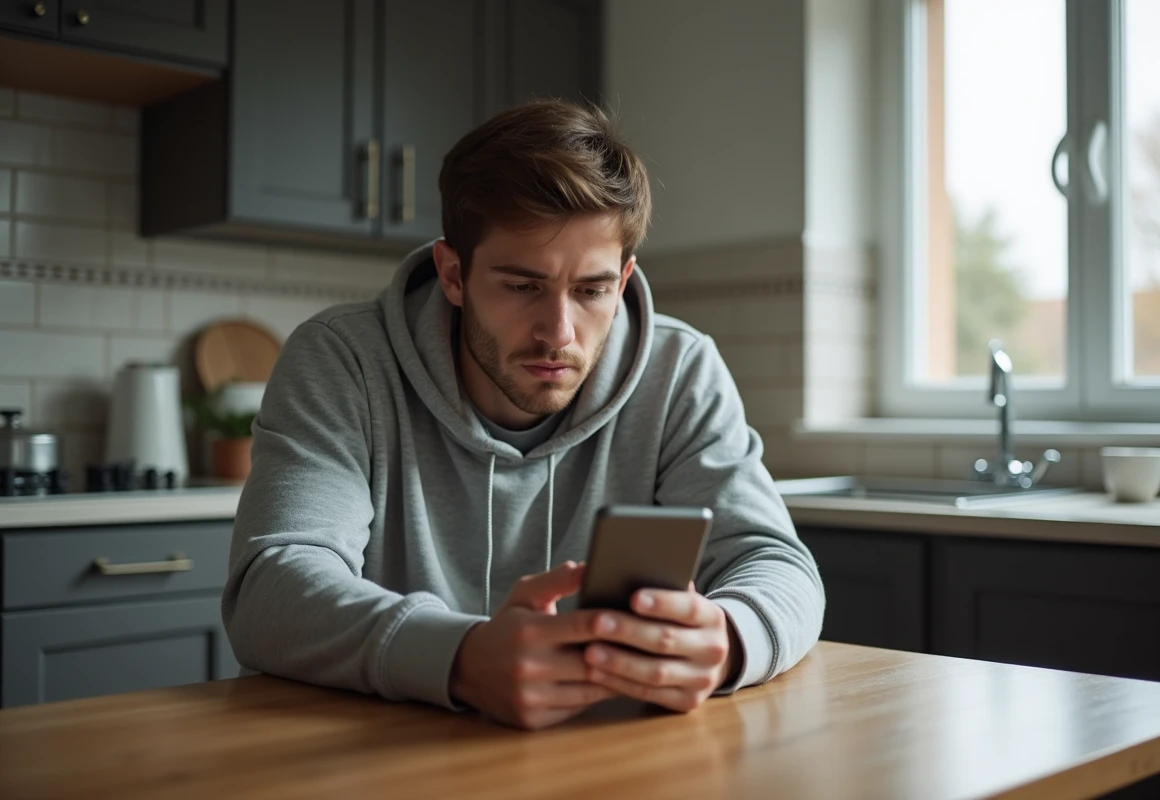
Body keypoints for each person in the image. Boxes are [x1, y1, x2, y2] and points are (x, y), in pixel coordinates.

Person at [222, 100, 825, 731]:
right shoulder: (342, 359)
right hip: (379, 757)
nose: (558, 333)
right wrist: (458, 657)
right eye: (521, 286)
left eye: (591, 291)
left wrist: (728, 637)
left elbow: (776, 563)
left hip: (602, 762)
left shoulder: (681, 368)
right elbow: (270, 591)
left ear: (622, 282)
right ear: (453, 274)